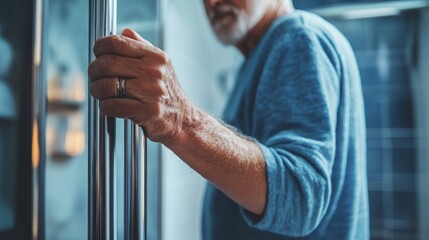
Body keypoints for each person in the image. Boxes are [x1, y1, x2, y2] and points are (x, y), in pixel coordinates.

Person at [88, 0, 369, 239]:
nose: (211, 3)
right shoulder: (263, 55)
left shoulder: (297, 36)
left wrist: (181, 120)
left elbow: (299, 197)